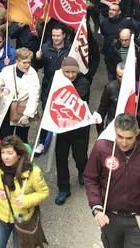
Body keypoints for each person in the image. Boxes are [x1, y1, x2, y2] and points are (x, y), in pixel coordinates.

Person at [84, 114, 140, 248]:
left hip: (139, 220)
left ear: (137, 133)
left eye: (129, 138)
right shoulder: (102, 148)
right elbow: (90, 178)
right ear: (115, 132)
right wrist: (97, 208)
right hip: (110, 219)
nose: (124, 143)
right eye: (120, 137)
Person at [0, 135, 49, 248]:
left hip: (22, 219)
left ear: (18, 154)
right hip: (1, 216)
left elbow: (44, 193)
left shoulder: (33, 172)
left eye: (9, 153)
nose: (5, 157)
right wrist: (0, 198)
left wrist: (26, 200)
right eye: (3, 152)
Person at [54, 57, 92, 206]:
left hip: (79, 126)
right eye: (67, 72)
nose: (70, 75)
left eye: (73, 72)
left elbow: (74, 97)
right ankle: (63, 188)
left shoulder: (83, 83)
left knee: (80, 155)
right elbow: (48, 96)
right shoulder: (57, 81)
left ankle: (84, 172)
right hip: (62, 126)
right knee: (61, 158)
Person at [0, 48, 40, 145]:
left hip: (23, 109)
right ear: (17, 61)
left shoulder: (33, 74)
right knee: (5, 138)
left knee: (21, 140)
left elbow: (34, 96)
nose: (27, 65)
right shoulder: (7, 70)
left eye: (29, 62)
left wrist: (27, 115)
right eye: (24, 62)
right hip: (7, 109)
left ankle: (21, 159)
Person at [97, 62, 140, 134]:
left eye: (125, 76)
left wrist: (137, 117)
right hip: (112, 127)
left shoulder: (139, 88)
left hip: (131, 127)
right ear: (116, 75)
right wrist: (100, 130)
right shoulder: (110, 88)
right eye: (120, 76)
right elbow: (102, 109)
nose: (122, 79)